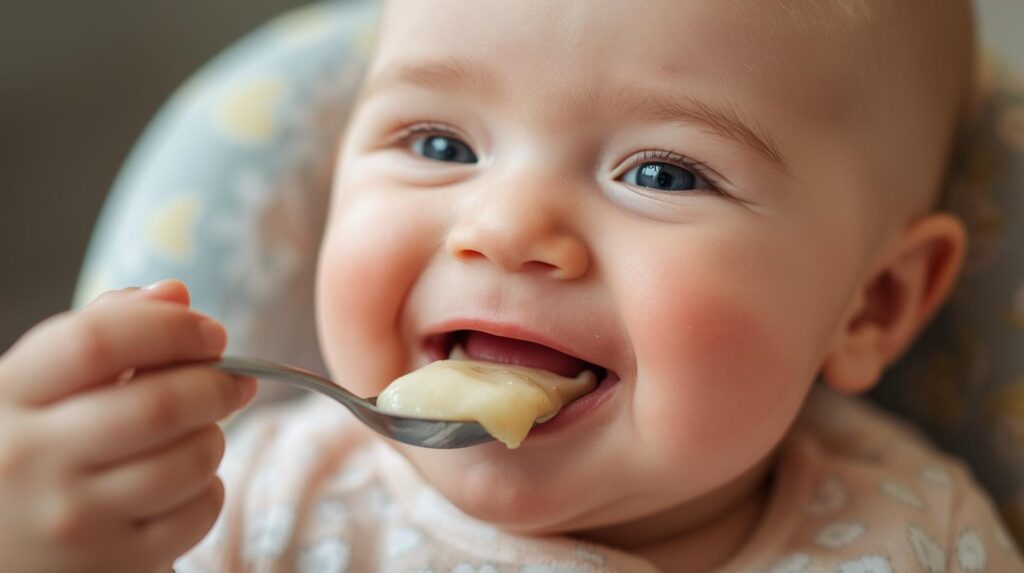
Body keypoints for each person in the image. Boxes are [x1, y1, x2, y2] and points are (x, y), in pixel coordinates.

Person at [2, 0, 1022, 571]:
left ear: (872, 305)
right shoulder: (240, 510)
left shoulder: (916, 541)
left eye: (662, 175)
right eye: (441, 145)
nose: (503, 229)